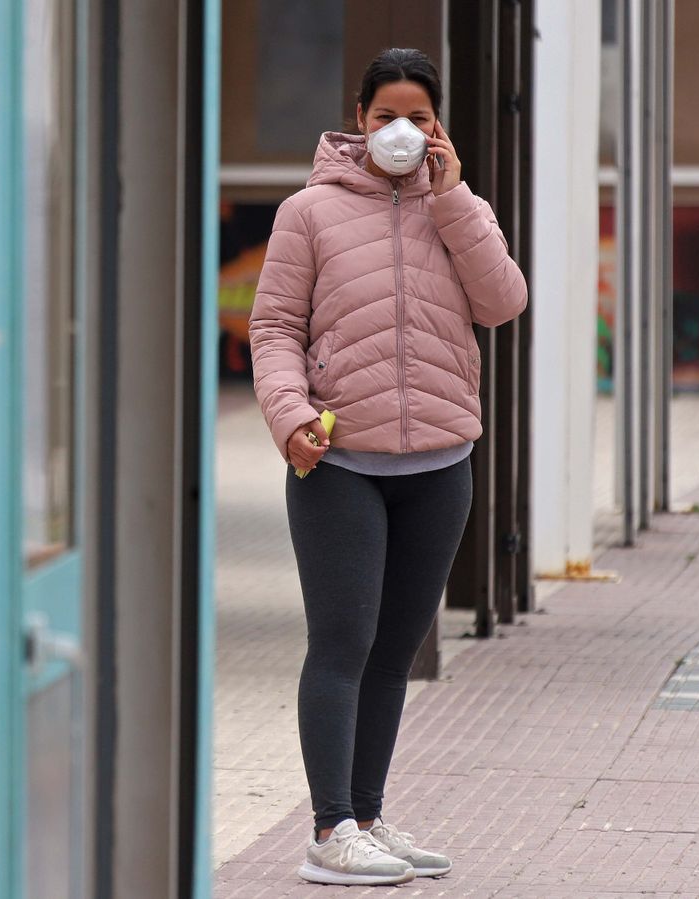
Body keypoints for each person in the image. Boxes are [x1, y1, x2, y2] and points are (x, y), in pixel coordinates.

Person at [248, 47, 527, 886]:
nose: (401, 131)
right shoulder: (309, 212)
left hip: (441, 461)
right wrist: (291, 418)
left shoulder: (460, 208)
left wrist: (452, 199)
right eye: (385, 116)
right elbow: (273, 332)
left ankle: (366, 814)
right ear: (358, 121)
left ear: (438, 125)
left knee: (397, 645)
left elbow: (503, 301)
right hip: (340, 462)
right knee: (342, 640)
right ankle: (330, 827)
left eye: (418, 117)